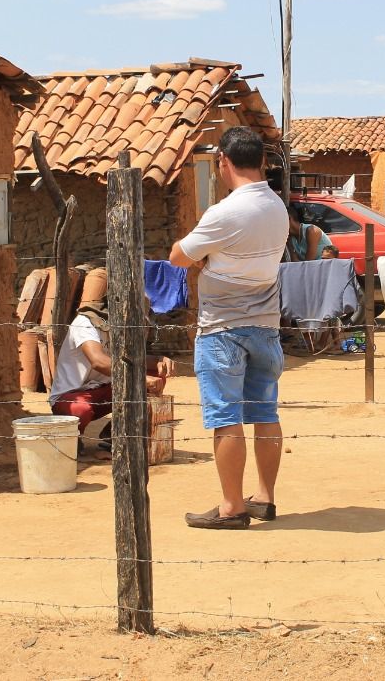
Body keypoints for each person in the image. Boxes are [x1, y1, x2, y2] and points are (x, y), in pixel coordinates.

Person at [169, 126, 289, 529]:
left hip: (222, 330)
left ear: (223, 161)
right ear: (263, 162)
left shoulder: (225, 212)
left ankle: (232, 506)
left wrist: (207, 262)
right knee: (265, 413)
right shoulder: (277, 206)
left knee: (225, 417)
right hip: (266, 327)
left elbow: (178, 257)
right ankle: (265, 498)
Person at [48, 269, 175, 447]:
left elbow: (135, 358)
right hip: (73, 395)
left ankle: (114, 437)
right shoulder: (85, 322)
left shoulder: (124, 329)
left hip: (107, 390)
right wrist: (139, 379)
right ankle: (71, 442)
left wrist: (160, 359)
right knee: (80, 409)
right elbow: (98, 361)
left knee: (156, 371)